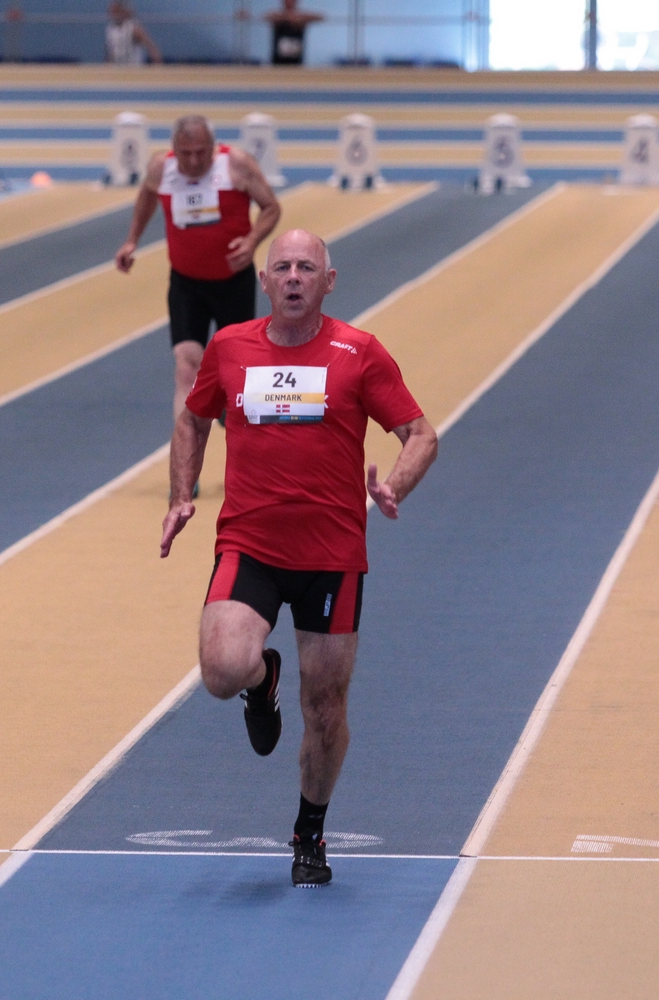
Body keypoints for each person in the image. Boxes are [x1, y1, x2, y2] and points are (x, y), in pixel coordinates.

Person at [160, 229, 438, 887]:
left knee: (326, 707)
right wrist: (181, 494)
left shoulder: (359, 352)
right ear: (264, 282)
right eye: (281, 267)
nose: (292, 277)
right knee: (222, 670)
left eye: (305, 268)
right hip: (250, 543)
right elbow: (194, 418)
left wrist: (394, 488)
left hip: (331, 555)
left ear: (328, 282)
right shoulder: (231, 348)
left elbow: (420, 433)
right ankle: (262, 682)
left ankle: (309, 833)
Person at [114, 115, 281, 434]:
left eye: (201, 152)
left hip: (233, 283)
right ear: (173, 149)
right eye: (185, 153)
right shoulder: (161, 167)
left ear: (213, 146)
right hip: (186, 284)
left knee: (235, 373)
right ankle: (186, 455)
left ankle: (232, 418)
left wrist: (251, 241)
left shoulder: (236, 164)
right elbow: (147, 195)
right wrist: (132, 240)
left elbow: (271, 207)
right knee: (186, 365)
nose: (193, 161)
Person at [265, 0, 323, 66]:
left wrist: (299, 18)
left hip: (296, 62)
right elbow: (266, 17)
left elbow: (320, 17)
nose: (290, 2)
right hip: (278, 62)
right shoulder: (277, 17)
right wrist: (287, 18)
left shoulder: (301, 18)